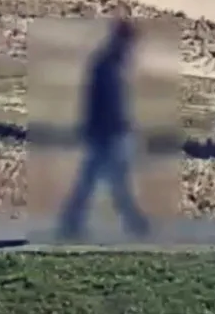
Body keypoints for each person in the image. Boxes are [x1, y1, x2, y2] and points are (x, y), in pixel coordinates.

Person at [57, 18, 151, 239]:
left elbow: (104, 100)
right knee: (111, 182)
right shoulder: (109, 65)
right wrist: (118, 127)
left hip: (107, 133)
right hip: (107, 134)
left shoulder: (110, 63)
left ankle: (72, 222)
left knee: (97, 181)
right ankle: (135, 224)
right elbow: (105, 102)